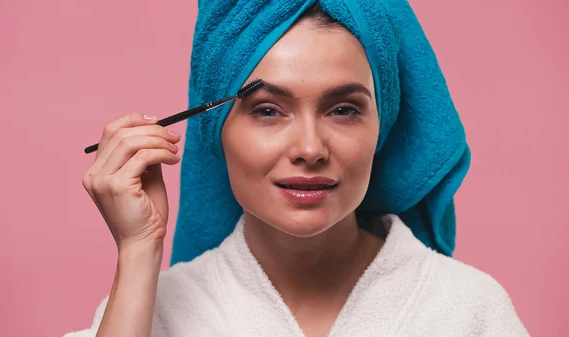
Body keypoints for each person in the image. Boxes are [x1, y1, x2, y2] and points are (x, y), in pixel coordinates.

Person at [66, 3, 529, 337]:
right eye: (268, 110)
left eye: (344, 109)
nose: (310, 148)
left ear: (382, 128)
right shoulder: (146, 315)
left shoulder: (470, 310)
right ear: (215, 130)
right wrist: (138, 249)